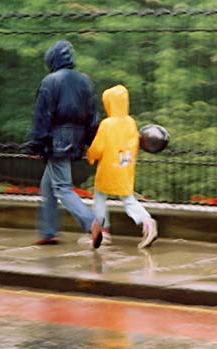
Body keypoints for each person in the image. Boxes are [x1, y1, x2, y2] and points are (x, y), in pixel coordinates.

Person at [24, 40, 103, 248]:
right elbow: (93, 116)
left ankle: (91, 222)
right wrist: (90, 141)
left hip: (56, 139)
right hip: (77, 138)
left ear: (51, 60)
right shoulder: (85, 80)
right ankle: (48, 232)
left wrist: (36, 144)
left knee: (62, 187)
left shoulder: (50, 81)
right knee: (48, 186)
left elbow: (43, 115)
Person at [87, 84, 158, 249]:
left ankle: (103, 232)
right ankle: (147, 222)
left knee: (99, 197)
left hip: (108, 167)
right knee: (127, 197)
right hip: (125, 165)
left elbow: (98, 147)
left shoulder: (107, 124)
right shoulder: (130, 122)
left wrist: (90, 156)